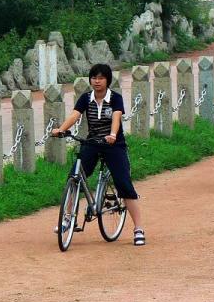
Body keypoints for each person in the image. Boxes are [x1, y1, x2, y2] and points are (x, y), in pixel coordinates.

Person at [52, 64, 145, 246]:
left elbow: (116, 117)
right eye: (94, 78)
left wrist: (112, 134)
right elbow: (75, 115)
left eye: (101, 78)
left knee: (123, 183)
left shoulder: (115, 98)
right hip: (93, 142)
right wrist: (61, 130)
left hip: (113, 144)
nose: (97, 81)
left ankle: (139, 228)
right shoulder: (86, 98)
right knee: (75, 176)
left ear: (108, 80)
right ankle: (68, 218)